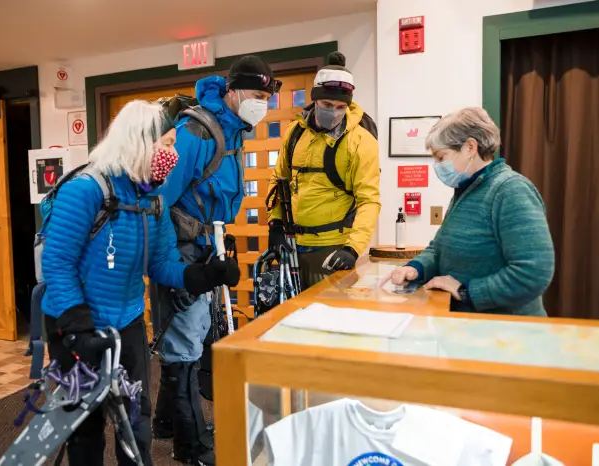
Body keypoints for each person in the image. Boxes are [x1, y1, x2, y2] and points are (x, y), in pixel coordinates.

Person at [40, 100, 240, 466]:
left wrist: (202, 276)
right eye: (165, 144)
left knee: (135, 419)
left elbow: (162, 263)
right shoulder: (85, 190)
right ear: (138, 142)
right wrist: (77, 321)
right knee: (86, 424)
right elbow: (57, 262)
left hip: (127, 322)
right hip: (76, 326)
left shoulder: (153, 200)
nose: (172, 154)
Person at [151, 55, 279, 465]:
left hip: (208, 242)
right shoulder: (195, 131)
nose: (262, 104)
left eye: (267, 96)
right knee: (186, 341)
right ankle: (191, 446)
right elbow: (159, 204)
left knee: (192, 331)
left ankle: (165, 423)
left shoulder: (233, 130)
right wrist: (177, 268)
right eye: (257, 95)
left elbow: (218, 197)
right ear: (233, 91)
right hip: (181, 248)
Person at [381, 107, 555, 316]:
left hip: (506, 333)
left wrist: (466, 292)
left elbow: (534, 272)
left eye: (440, 157)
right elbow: (439, 249)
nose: (436, 165)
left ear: (470, 147)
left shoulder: (510, 190)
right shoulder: (465, 191)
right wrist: (416, 268)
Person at [267, 51, 381, 290]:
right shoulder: (295, 132)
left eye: (341, 107)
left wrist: (353, 248)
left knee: (329, 318)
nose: (334, 111)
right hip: (293, 247)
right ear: (315, 100)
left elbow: (369, 200)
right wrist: (275, 224)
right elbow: (279, 179)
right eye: (327, 104)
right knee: (292, 319)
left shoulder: (361, 141)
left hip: (333, 249)